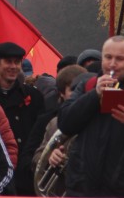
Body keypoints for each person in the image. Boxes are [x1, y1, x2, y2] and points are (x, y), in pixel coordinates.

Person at [57, 35, 124, 196]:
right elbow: (65, 122)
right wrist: (94, 96)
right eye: (108, 57)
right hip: (83, 188)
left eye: (120, 59)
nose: (112, 64)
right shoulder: (86, 86)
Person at [0, 42, 45, 195]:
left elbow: (39, 135)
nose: (13, 66)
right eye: (8, 61)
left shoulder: (34, 96)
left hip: (25, 178)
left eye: (17, 62)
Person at [30, 64, 86, 196]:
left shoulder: (96, 122)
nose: (79, 93)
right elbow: (36, 159)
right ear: (62, 94)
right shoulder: (55, 124)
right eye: (73, 90)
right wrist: (50, 156)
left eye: (82, 88)